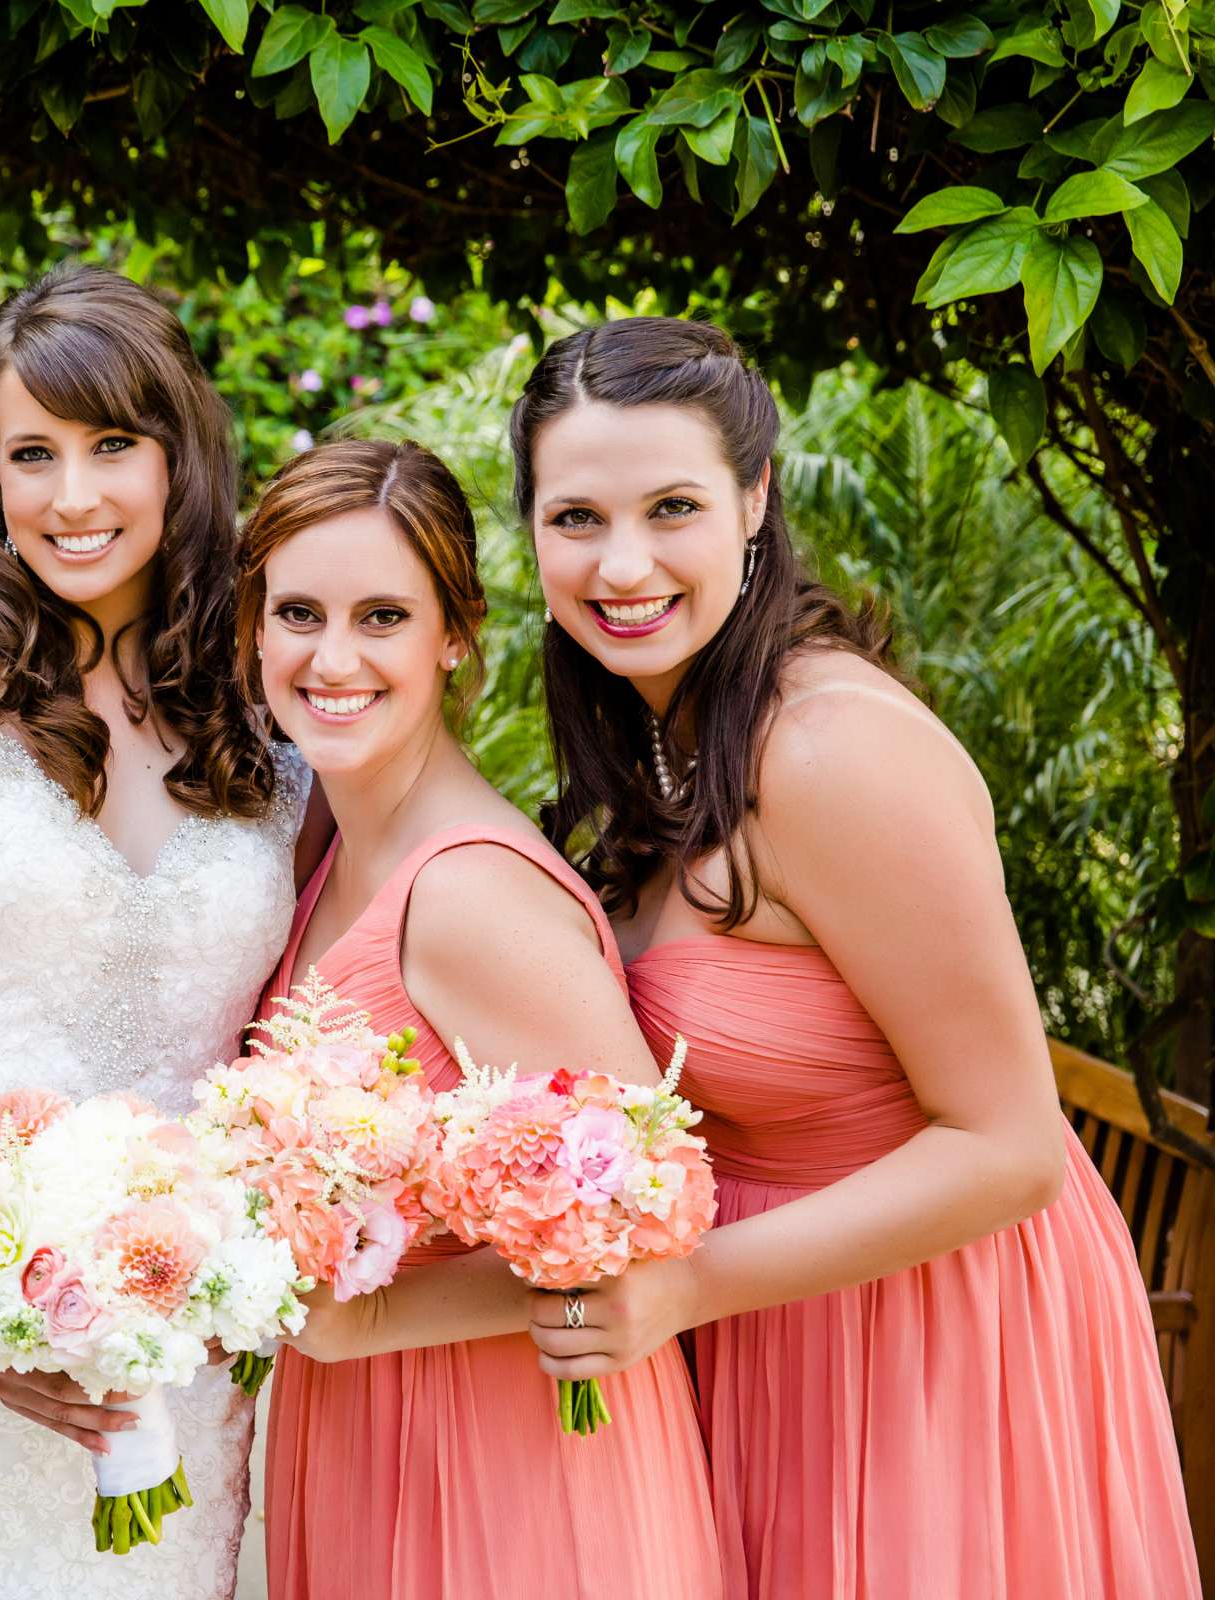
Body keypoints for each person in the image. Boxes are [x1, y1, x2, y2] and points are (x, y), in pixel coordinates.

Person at [516, 315, 1197, 1597]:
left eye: (672, 508)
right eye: (576, 519)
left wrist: (683, 1285)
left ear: (756, 499)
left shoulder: (829, 750)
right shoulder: (658, 738)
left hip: (939, 1330)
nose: (623, 564)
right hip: (784, 1323)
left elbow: (1010, 1145)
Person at [0, 262, 315, 1599]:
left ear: (179, 457)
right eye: (32, 454)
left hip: (181, 1356)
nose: (71, 496)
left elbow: (290, 1070)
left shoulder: (277, 730)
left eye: (110, 447)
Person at [238, 438, 721, 1597]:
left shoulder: (468, 894)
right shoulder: (333, 852)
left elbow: (646, 1222)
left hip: (505, 1464)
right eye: (297, 611)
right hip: (365, 1443)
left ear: (455, 635)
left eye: (384, 617)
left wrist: (365, 1323)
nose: (333, 656)